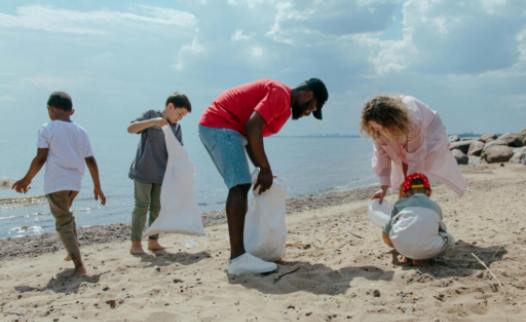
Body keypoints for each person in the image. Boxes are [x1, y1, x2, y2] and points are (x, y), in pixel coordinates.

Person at [199, 78, 329, 275]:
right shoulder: (282, 95)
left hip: (221, 127)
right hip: (221, 125)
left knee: (240, 186)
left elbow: (252, 136)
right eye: (311, 109)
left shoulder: (282, 100)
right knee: (239, 187)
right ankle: (238, 259)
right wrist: (264, 168)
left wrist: (263, 169)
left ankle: (239, 256)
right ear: (308, 95)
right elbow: (253, 127)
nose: (307, 113)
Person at [12, 91, 106, 276]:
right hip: (74, 184)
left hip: (56, 183)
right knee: (67, 217)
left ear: (52, 109)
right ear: (72, 111)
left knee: (62, 222)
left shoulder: (47, 128)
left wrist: (26, 179)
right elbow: (91, 160)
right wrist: (97, 186)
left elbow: (40, 158)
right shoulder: (81, 131)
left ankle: (79, 265)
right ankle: (73, 253)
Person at [360, 95, 466, 201]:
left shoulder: (412, 121)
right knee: (403, 166)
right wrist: (383, 188)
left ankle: (416, 198)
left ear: (389, 121)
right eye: (374, 128)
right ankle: (408, 199)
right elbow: (381, 156)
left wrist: (409, 184)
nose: (377, 131)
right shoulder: (376, 131)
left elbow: (416, 157)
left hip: (428, 126)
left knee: (415, 171)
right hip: (400, 131)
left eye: (379, 127)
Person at [127, 92, 192, 255]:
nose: (180, 118)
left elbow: (177, 152)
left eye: (183, 116)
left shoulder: (177, 128)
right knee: (141, 207)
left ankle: (153, 241)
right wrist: (153, 122)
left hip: (162, 176)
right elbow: (131, 128)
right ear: (170, 106)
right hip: (143, 172)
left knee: (157, 209)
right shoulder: (151, 115)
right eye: (180, 114)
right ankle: (135, 244)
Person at [382, 173, 455, 265]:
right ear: (429, 192)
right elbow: (440, 229)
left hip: (402, 248)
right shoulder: (435, 206)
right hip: (429, 250)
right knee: (449, 239)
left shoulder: (400, 204)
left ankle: (409, 255)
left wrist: (392, 244)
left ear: (406, 193)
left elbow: (387, 229)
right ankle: (423, 258)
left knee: (397, 228)